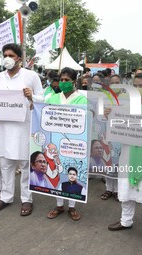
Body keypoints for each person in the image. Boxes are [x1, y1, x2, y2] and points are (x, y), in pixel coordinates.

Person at [0, 43, 44, 216]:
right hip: (4, 127)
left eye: (11, 55)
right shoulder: (0, 77)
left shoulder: (31, 76)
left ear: (19, 58)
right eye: (5, 55)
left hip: (23, 126)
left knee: (25, 164)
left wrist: (33, 96)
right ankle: (6, 197)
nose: (7, 58)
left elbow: (42, 98)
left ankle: (26, 199)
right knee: (6, 164)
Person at [107, 73, 142, 243]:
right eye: (134, 86)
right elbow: (116, 129)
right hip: (128, 153)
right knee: (126, 190)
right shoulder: (124, 106)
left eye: (141, 86)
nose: (137, 89)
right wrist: (110, 117)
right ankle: (126, 221)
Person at [46, 67, 87, 221]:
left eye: (66, 80)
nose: (63, 82)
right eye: (61, 80)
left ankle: (72, 207)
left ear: (74, 81)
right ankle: (59, 205)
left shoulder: (82, 100)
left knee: (72, 173)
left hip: (73, 143)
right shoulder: (53, 98)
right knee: (58, 172)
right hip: (56, 141)